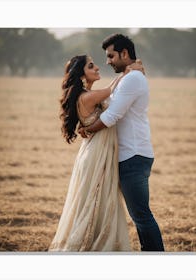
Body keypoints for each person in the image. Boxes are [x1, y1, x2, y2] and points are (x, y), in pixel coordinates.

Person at [79, 34, 165, 251]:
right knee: (139, 216)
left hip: (133, 156)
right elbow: (108, 100)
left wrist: (86, 129)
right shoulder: (129, 76)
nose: (107, 61)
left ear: (124, 53)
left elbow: (111, 117)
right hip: (128, 156)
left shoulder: (133, 79)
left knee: (141, 216)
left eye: (111, 56)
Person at [48, 54, 143, 251]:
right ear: (82, 74)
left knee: (95, 200)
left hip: (94, 151)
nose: (97, 68)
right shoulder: (88, 96)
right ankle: (88, 247)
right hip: (95, 154)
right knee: (93, 200)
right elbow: (113, 89)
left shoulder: (85, 94)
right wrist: (131, 70)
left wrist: (130, 71)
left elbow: (111, 92)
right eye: (91, 66)